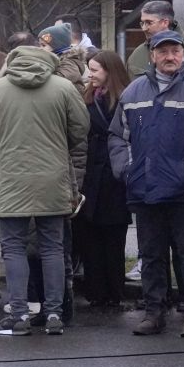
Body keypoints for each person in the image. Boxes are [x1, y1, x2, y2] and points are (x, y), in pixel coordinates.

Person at [110, 30, 184, 337]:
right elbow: (118, 136)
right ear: (152, 55)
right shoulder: (132, 93)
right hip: (145, 189)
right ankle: (153, 311)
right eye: (163, 52)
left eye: (175, 51)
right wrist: (127, 169)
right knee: (151, 254)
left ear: (183, 54)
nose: (170, 57)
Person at [0, 44, 89, 336]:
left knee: (13, 247)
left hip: (11, 177)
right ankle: (54, 314)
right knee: (53, 246)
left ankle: (19, 314)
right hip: (52, 177)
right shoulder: (64, 87)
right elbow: (80, 129)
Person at [76, 50, 130, 312]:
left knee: (113, 239)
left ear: (109, 71)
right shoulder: (86, 98)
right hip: (91, 176)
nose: (90, 75)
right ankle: (96, 290)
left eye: (95, 69)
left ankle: (114, 291)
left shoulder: (124, 98)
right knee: (91, 237)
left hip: (114, 177)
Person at [126, 0, 184, 79]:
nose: (144, 28)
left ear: (165, 23)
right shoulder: (136, 55)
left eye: (149, 23)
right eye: (142, 23)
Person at [39, 22, 86, 92]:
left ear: (57, 46)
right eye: (39, 45)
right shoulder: (56, 61)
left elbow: (59, 80)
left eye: (43, 45)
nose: (40, 48)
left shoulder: (69, 63)